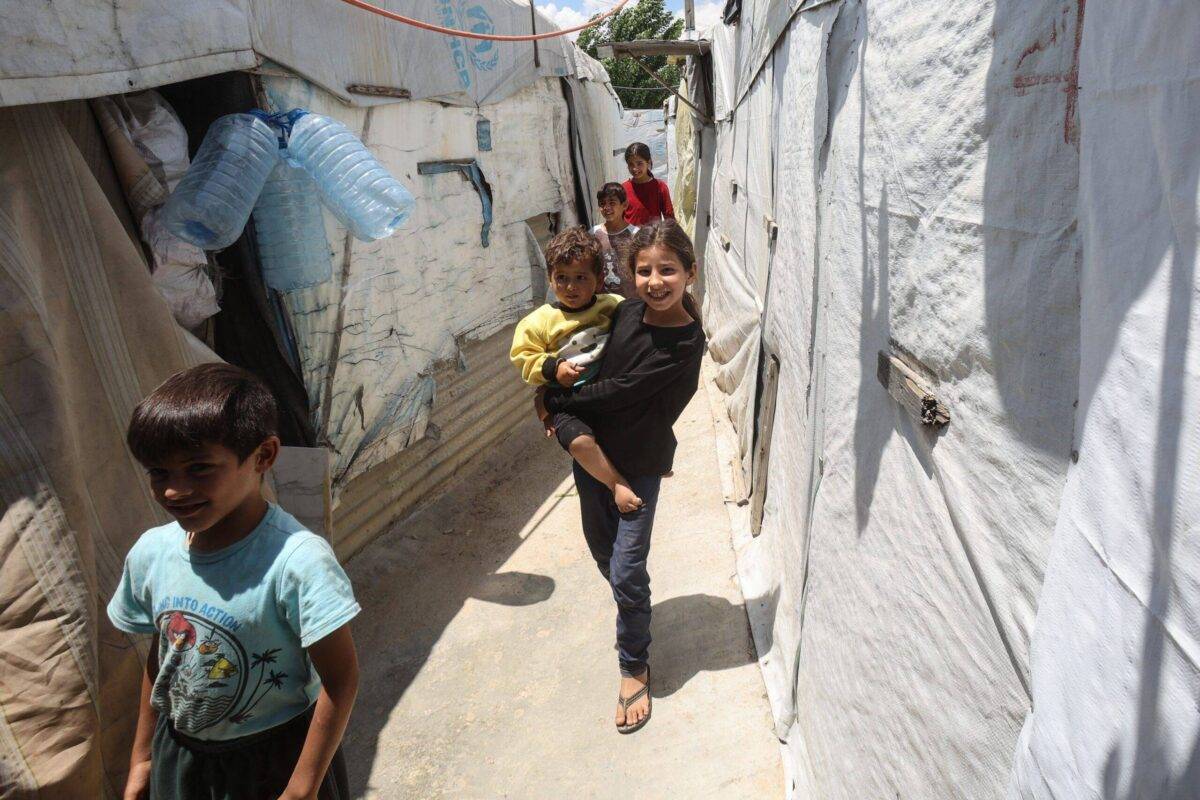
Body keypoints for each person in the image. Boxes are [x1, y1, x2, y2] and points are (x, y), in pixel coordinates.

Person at [108, 363, 360, 800]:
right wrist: (143, 757)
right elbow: (164, 655)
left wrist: (301, 789)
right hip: (181, 757)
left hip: (273, 763)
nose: (173, 491)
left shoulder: (297, 562)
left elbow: (341, 679)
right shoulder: (152, 553)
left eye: (199, 468)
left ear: (263, 456)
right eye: (159, 473)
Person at [535, 220, 705, 734]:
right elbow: (592, 360)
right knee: (601, 549)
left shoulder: (684, 343)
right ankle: (635, 609)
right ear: (629, 275)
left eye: (668, 270)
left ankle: (633, 662)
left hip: (639, 464)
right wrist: (548, 382)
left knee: (628, 569)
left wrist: (557, 402)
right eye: (645, 270)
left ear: (690, 273)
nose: (655, 281)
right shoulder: (628, 311)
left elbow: (621, 390)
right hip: (593, 456)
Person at [510, 227, 644, 513]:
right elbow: (523, 356)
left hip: (608, 394)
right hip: (568, 403)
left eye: (580, 278)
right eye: (562, 278)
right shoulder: (540, 321)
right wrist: (553, 368)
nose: (571, 287)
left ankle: (653, 461)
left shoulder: (613, 305)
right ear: (550, 279)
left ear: (598, 281)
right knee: (581, 443)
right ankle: (616, 483)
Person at [591, 182, 639, 298]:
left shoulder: (635, 234)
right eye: (602, 204)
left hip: (631, 300)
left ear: (625, 205)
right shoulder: (593, 234)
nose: (607, 208)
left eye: (612, 203)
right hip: (602, 300)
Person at [621, 142, 675, 226]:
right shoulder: (623, 189)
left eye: (639, 163)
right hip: (628, 238)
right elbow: (618, 218)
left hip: (652, 237)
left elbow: (669, 218)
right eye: (631, 164)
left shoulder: (660, 187)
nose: (635, 168)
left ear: (648, 162)